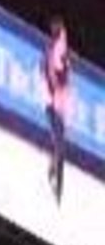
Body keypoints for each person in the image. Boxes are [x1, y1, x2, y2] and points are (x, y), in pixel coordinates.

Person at [42, 16, 70, 203]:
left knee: (59, 146)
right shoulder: (54, 52)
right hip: (54, 104)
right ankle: (56, 185)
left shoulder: (56, 49)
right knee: (60, 147)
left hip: (59, 104)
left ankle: (52, 173)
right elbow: (53, 75)